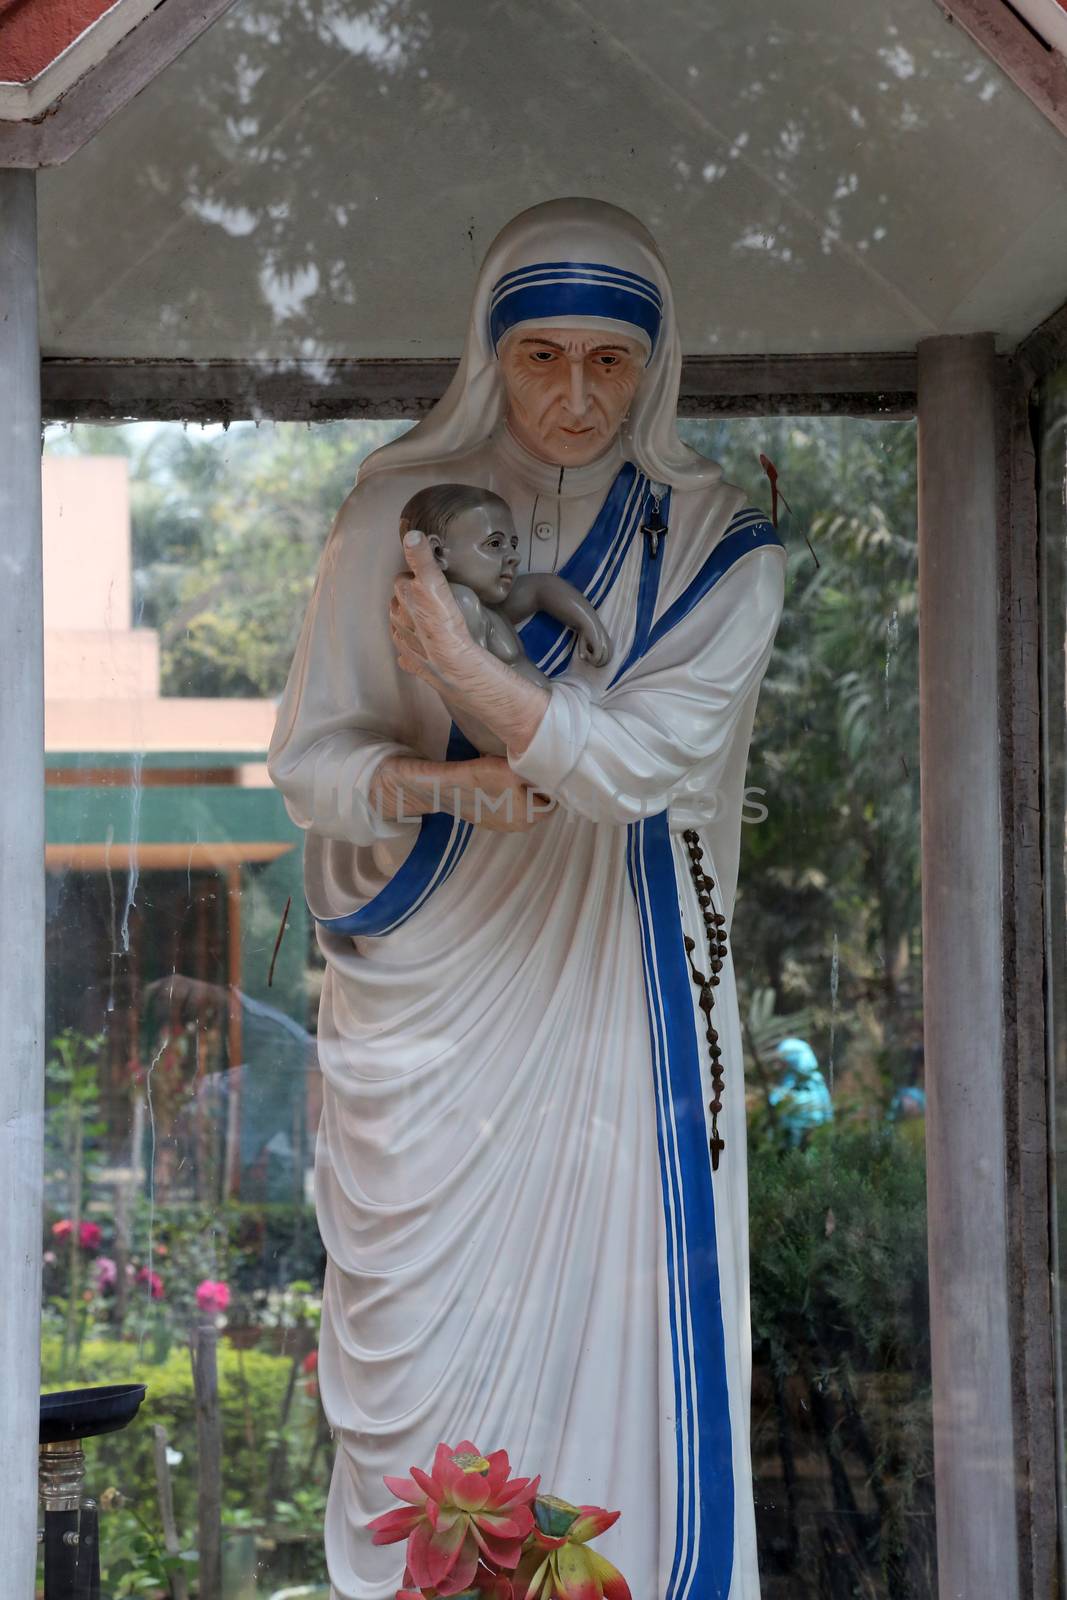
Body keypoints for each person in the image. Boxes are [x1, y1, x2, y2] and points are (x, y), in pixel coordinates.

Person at [268, 197, 786, 1600]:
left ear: (655, 366)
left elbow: (630, 760)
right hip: (427, 1022)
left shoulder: (715, 548)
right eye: (541, 356)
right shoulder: (392, 510)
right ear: (488, 356)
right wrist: (440, 786)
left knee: (618, 1371)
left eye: (608, 362)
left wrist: (463, 663)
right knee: (428, 1387)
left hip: (617, 1007)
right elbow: (307, 767)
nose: (572, 395)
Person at [397, 482, 612, 755]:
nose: (513, 556)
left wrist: (587, 622)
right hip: (520, 741)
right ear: (438, 553)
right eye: (494, 543)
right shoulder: (459, 604)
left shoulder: (487, 604)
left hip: (543, 732)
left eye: (513, 544)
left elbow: (540, 588)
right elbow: (470, 693)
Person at [767, 1037, 834, 1147]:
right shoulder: (789, 1079)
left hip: (812, 1132)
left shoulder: (815, 1082)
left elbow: (826, 1111)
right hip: (790, 1135)